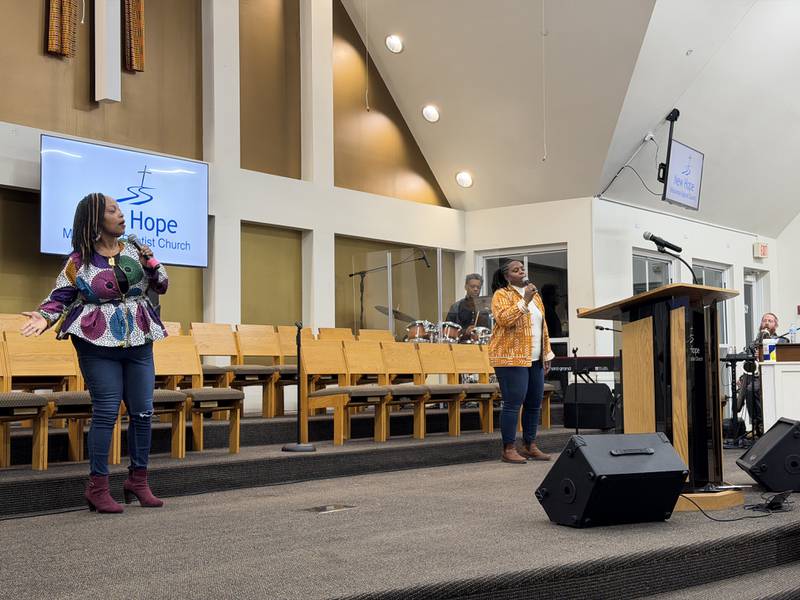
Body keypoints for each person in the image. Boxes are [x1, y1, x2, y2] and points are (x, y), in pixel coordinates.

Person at [21, 193, 169, 513]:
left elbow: (161, 285)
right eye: (112, 210)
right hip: (95, 341)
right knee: (106, 412)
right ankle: (98, 487)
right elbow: (60, 296)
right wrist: (44, 316)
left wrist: (152, 264)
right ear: (95, 220)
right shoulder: (79, 261)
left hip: (139, 338)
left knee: (143, 412)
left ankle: (138, 482)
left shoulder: (134, 250)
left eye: (120, 208)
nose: (121, 214)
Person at [487, 259, 554, 463]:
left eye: (522, 269)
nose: (521, 272)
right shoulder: (502, 295)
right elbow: (504, 320)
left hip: (534, 357)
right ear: (507, 276)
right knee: (513, 403)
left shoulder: (536, 297)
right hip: (510, 358)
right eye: (516, 270)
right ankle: (508, 449)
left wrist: (546, 354)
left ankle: (529, 445)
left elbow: (543, 327)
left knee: (534, 403)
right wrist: (524, 300)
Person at [445, 273, 490, 342]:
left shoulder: (485, 309)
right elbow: (447, 330)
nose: (476, 289)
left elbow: (490, 331)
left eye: (478, 287)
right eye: (472, 286)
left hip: (481, 346)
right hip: (460, 346)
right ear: (466, 287)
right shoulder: (456, 307)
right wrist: (464, 332)